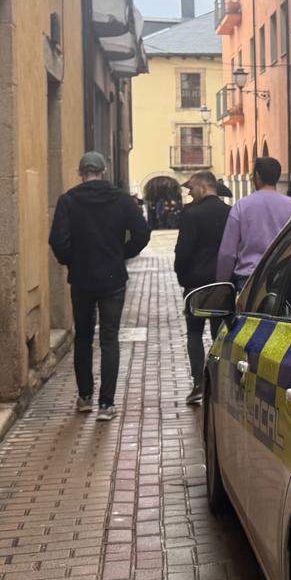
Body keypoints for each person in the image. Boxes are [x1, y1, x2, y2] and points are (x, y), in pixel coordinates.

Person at [48, 151, 150, 421]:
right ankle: (107, 403)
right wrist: (122, 253)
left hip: (81, 278)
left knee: (82, 337)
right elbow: (142, 232)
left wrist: (72, 261)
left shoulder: (68, 201)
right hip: (112, 277)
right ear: (103, 170)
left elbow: (57, 240)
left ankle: (84, 397)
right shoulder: (121, 200)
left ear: (81, 172)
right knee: (109, 338)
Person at [174, 170, 230, 406]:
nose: (189, 192)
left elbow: (183, 251)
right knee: (220, 333)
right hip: (222, 282)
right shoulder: (230, 212)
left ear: (204, 186)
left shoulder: (191, 214)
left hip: (196, 284)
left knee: (195, 333)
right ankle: (219, 381)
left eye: (192, 188)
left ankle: (198, 383)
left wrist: (182, 275)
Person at [215, 155, 291, 293]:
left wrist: (221, 284)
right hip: (283, 276)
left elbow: (227, 253)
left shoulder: (242, 206)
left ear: (257, 176)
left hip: (249, 278)